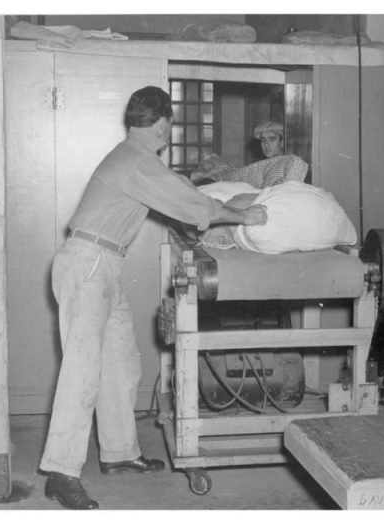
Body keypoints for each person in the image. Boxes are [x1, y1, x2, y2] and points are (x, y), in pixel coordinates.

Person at [39, 86, 267, 510]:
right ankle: (60, 472)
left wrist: (200, 212)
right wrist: (242, 215)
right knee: (82, 370)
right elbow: (190, 205)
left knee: (121, 363)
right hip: (89, 263)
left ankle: (119, 453)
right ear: (163, 124)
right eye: (169, 125)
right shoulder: (138, 160)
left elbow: (177, 199)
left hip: (102, 263)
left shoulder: (132, 156)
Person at [191, 120, 309, 188]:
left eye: (272, 139)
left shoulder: (289, 162)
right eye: (263, 140)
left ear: (282, 142)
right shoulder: (260, 165)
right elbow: (235, 175)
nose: (266, 145)